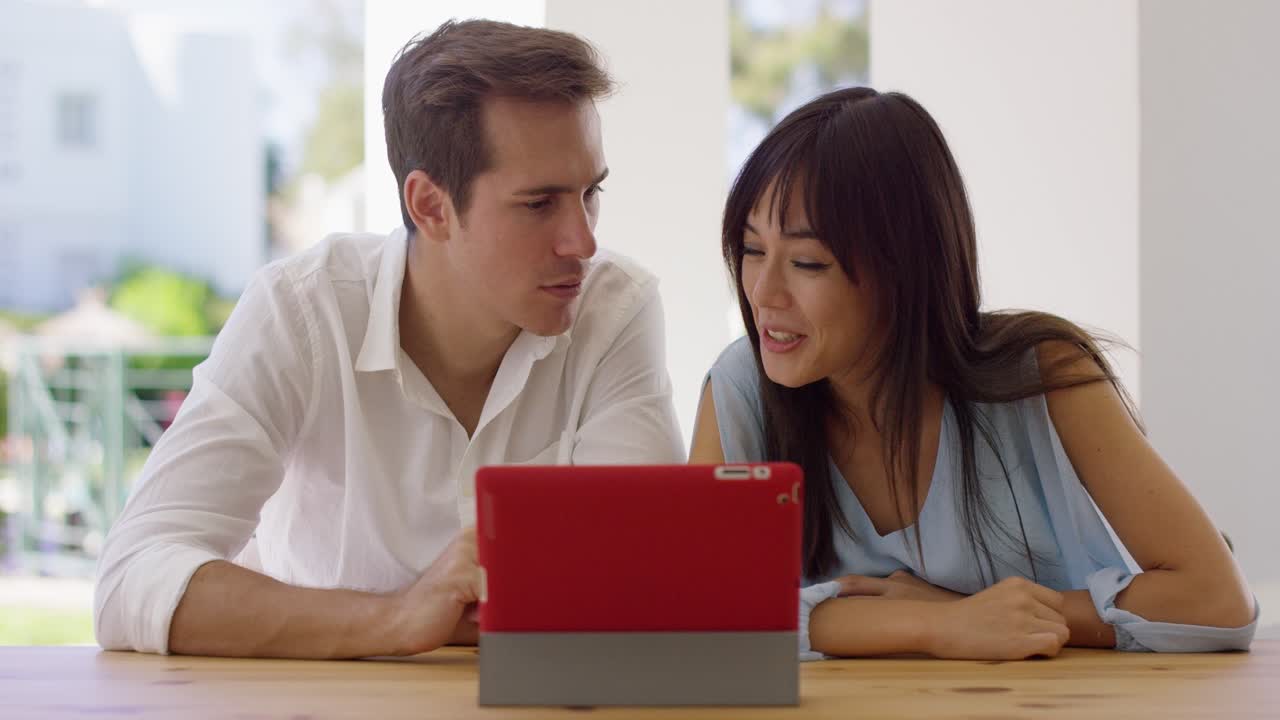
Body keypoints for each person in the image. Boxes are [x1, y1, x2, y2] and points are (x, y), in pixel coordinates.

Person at [95, 19, 685, 658]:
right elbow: (131, 582)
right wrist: (399, 618)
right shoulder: (302, 311)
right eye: (540, 204)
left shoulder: (615, 309)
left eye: (590, 193)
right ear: (430, 205)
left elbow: (646, 578)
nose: (584, 242)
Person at [690, 87, 1257, 660]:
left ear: (903, 269)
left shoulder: (1045, 374)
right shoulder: (742, 390)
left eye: (807, 263)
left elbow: (1215, 600)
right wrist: (938, 624)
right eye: (751, 250)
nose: (762, 293)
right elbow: (698, 613)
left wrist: (1020, 615)